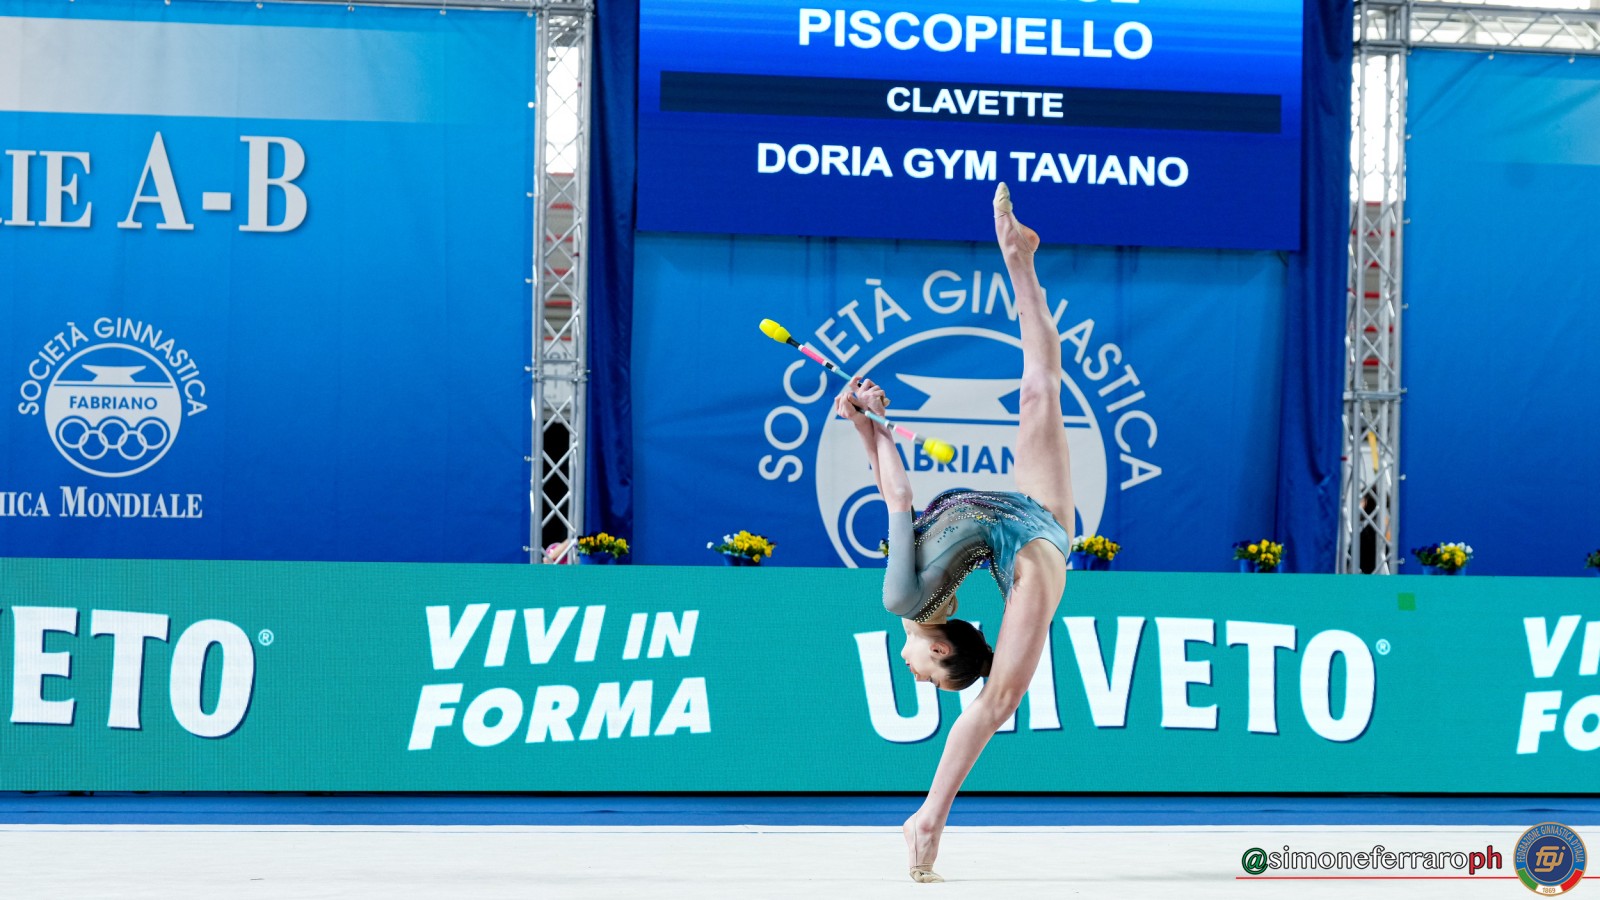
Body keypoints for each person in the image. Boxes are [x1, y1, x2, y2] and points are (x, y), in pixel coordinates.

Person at [834, 183, 1073, 883]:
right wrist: (873, 426)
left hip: (1022, 519)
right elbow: (899, 496)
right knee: (999, 701)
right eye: (929, 676)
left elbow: (892, 498)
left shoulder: (919, 599)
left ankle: (1020, 257)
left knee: (1039, 388)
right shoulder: (912, 603)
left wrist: (864, 424)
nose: (914, 673)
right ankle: (929, 820)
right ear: (941, 649)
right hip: (1034, 547)